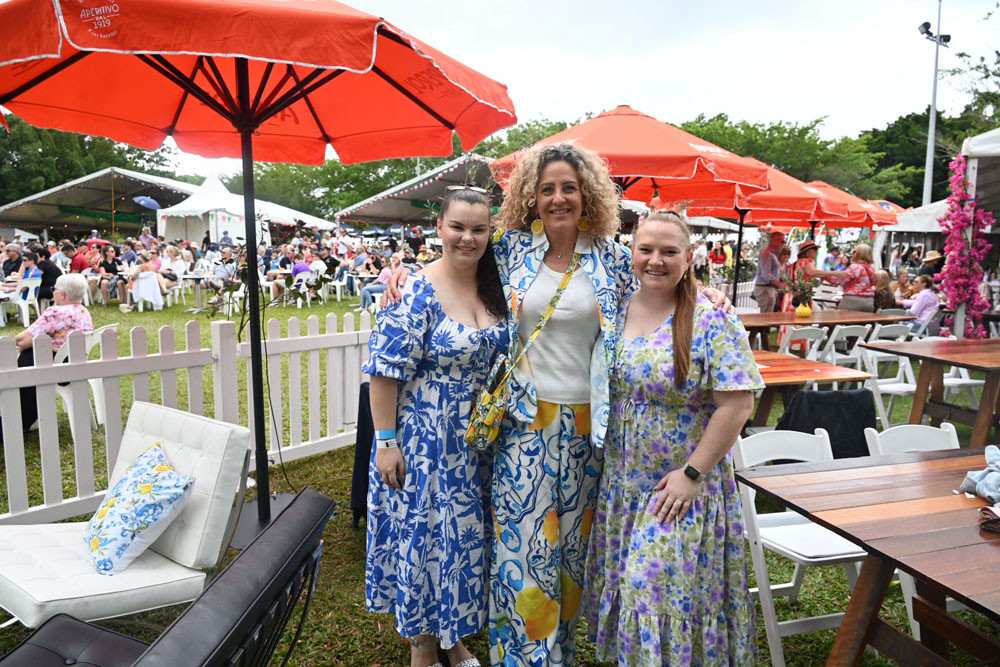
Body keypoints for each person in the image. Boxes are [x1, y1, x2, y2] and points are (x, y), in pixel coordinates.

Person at [382, 144, 731, 665]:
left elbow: (664, 284)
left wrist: (711, 295)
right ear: (531, 195)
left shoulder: (613, 257)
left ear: (587, 192)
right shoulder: (509, 251)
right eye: (547, 189)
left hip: (591, 426)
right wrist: (401, 273)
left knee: (571, 552)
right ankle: (523, 659)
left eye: (568, 187)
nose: (558, 198)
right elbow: (454, 261)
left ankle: (558, 652)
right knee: (524, 551)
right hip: (525, 423)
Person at [584, 211, 761, 665]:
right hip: (623, 488)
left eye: (669, 252)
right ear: (631, 253)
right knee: (636, 595)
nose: (655, 261)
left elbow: (738, 404)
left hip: (681, 490)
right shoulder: (617, 305)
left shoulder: (710, 316)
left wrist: (692, 474)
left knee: (655, 594)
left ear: (689, 258)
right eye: (645, 249)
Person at [364, 188, 508, 667]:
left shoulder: (497, 283)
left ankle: (453, 639)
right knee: (425, 542)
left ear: (491, 232)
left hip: (480, 443)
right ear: (438, 227)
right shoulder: (413, 291)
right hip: (424, 443)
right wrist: (387, 444)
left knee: (461, 544)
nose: (468, 237)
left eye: (479, 228)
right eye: (458, 227)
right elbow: (383, 373)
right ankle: (424, 647)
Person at [3, 274, 93, 441]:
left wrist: (22, 344)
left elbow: (21, 340)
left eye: (54, 290)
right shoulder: (83, 311)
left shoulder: (56, 312)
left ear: (63, 294)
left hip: (51, 370)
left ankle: (15, 422)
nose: (52, 293)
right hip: (73, 366)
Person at [825, 244, 878, 312]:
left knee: (838, 319)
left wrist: (823, 275)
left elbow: (839, 280)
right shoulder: (871, 269)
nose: (852, 253)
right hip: (869, 302)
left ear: (860, 254)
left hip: (852, 301)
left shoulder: (855, 267)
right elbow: (875, 282)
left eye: (854, 251)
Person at [753, 231, 789, 313]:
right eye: (782, 241)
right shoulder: (767, 253)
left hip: (768, 288)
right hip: (765, 288)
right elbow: (766, 274)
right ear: (774, 240)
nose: (783, 244)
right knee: (765, 317)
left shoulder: (772, 253)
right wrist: (779, 284)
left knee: (767, 315)